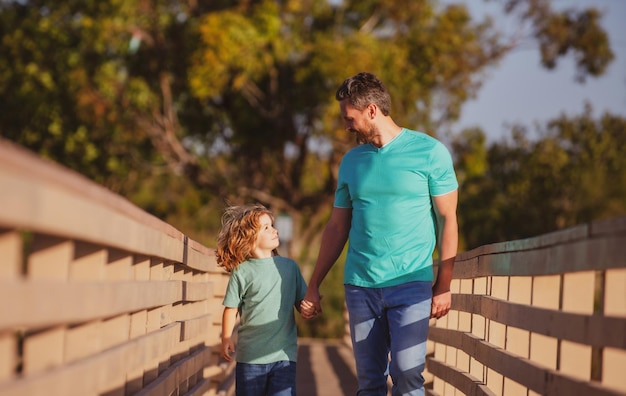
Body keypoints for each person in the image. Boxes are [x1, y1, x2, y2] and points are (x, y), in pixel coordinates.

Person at [300, 72, 459, 396]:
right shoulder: (351, 162)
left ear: (372, 110)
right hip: (361, 287)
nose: (346, 126)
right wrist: (313, 284)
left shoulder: (429, 152)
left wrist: (443, 284)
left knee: (408, 373)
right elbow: (336, 227)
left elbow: (448, 219)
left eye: (350, 118)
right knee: (370, 383)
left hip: (411, 283)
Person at [217, 204, 308, 396]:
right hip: (251, 357)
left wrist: (309, 307)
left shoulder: (290, 267)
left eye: (272, 225)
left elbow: (302, 301)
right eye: (266, 227)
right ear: (250, 239)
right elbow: (231, 309)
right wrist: (226, 337)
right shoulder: (242, 272)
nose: (274, 230)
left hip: (284, 354)